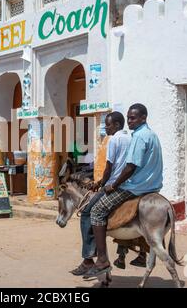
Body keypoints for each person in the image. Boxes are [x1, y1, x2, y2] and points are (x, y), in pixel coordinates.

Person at [84, 104, 163, 278]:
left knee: (96, 211)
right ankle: (137, 253)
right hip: (154, 185)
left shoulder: (139, 137)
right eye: (128, 118)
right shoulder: (151, 135)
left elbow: (130, 167)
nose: (130, 121)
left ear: (143, 118)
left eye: (133, 118)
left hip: (137, 186)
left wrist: (113, 185)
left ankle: (102, 259)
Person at [70, 112, 136, 276]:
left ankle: (91, 258)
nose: (105, 127)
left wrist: (103, 183)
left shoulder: (113, 139)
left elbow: (109, 167)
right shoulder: (131, 138)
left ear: (117, 125)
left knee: (87, 213)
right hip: (130, 184)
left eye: (108, 125)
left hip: (113, 184)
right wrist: (99, 183)